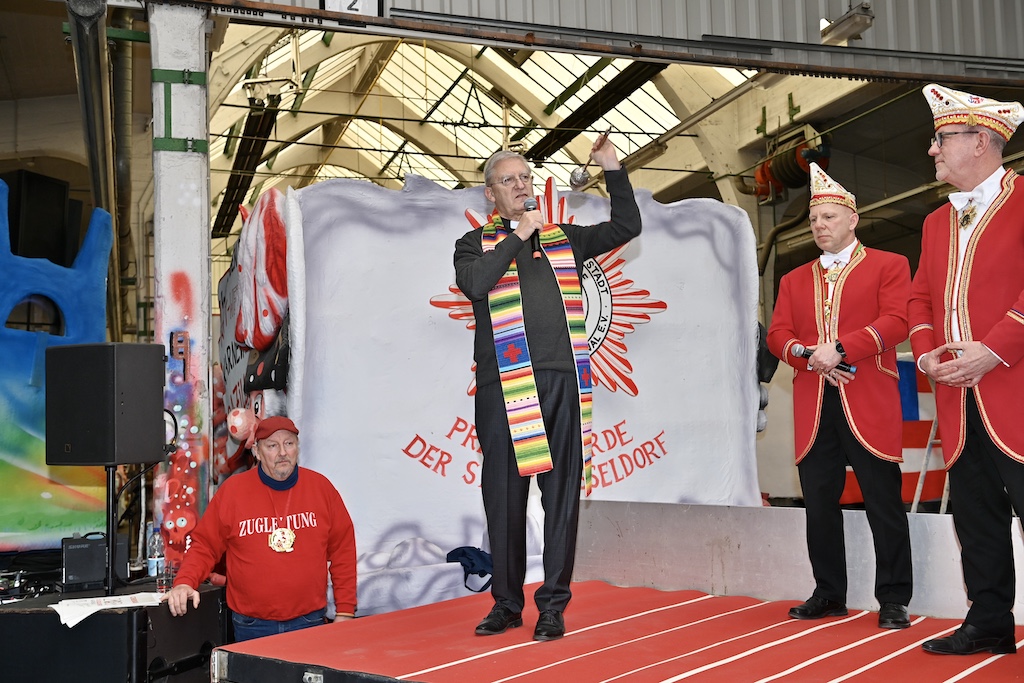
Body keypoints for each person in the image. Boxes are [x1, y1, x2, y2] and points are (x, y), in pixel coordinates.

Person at [454, 137, 641, 641]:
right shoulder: (475, 245)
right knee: (505, 498)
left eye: (526, 178)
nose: (522, 186)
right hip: (504, 385)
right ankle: (507, 604)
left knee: (559, 499)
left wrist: (612, 169)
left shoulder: (565, 239)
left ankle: (553, 605)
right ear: (490, 194)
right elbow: (476, 284)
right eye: (510, 180)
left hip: (561, 382)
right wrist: (518, 236)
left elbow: (628, 226)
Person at [767, 162, 913, 630]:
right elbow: (778, 335)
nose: (819, 226)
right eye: (814, 220)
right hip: (813, 402)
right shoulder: (793, 278)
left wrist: (842, 348)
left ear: (853, 218)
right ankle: (829, 593)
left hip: (867, 397)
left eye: (828, 217)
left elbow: (897, 322)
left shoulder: (890, 265)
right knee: (819, 503)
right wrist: (808, 355)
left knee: (883, 502)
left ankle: (893, 598)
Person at [910, 84, 1024, 656]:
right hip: (958, 400)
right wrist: (927, 350)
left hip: (1015, 389)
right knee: (976, 516)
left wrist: (997, 348)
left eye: (941, 138)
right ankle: (990, 620)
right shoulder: (934, 223)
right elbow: (919, 302)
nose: (932, 150)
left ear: (979, 141)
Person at [163, 415, 357, 642]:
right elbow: (205, 546)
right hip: (251, 625)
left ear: (297, 447)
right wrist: (185, 582)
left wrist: (345, 611)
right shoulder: (233, 492)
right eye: (272, 445)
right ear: (256, 451)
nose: (282, 452)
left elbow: (343, 550)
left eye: (289, 443)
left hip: (310, 622)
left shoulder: (321, 489)